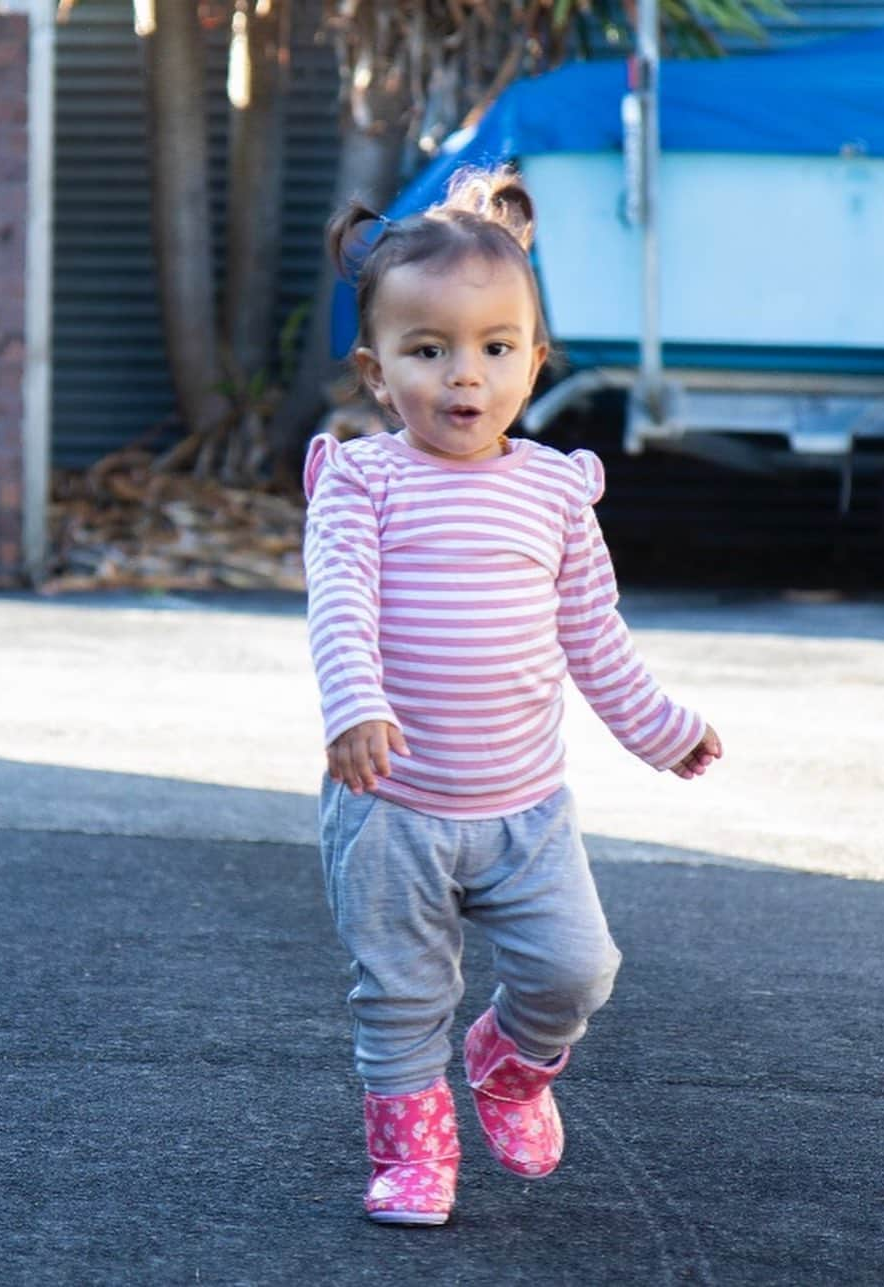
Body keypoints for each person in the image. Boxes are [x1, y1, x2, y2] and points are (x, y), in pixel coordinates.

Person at [302, 166, 722, 1226]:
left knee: (578, 972)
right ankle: (413, 1157)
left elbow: (594, 634)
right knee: (400, 995)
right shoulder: (363, 482)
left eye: (496, 349)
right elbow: (338, 602)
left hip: (526, 810)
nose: (464, 377)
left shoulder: (553, 489)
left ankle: (508, 1063)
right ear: (375, 368)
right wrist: (354, 707)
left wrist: (661, 730)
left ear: (535, 359)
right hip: (393, 806)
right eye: (428, 349)